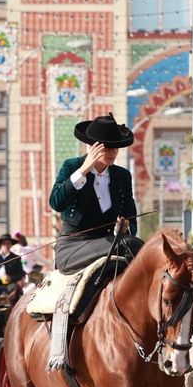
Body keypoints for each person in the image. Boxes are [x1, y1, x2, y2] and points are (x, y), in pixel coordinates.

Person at [49, 113, 142, 274]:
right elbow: (56, 203)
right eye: (107, 147)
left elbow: (131, 218)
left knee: (135, 246)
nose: (113, 152)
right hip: (73, 247)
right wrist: (83, 170)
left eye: (116, 147)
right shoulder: (71, 166)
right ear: (93, 147)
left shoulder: (122, 176)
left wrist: (125, 228)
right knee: (132, 246)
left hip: (110, 243)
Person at [0, 233, 25, 300]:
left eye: (8, 243)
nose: (6, 245)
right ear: (0, 245)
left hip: (10, 284)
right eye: (4, 243)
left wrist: (11, 278)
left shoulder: (15, 258)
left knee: (14, 288)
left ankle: (9, 306)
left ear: (11, 245)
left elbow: (21, 274)